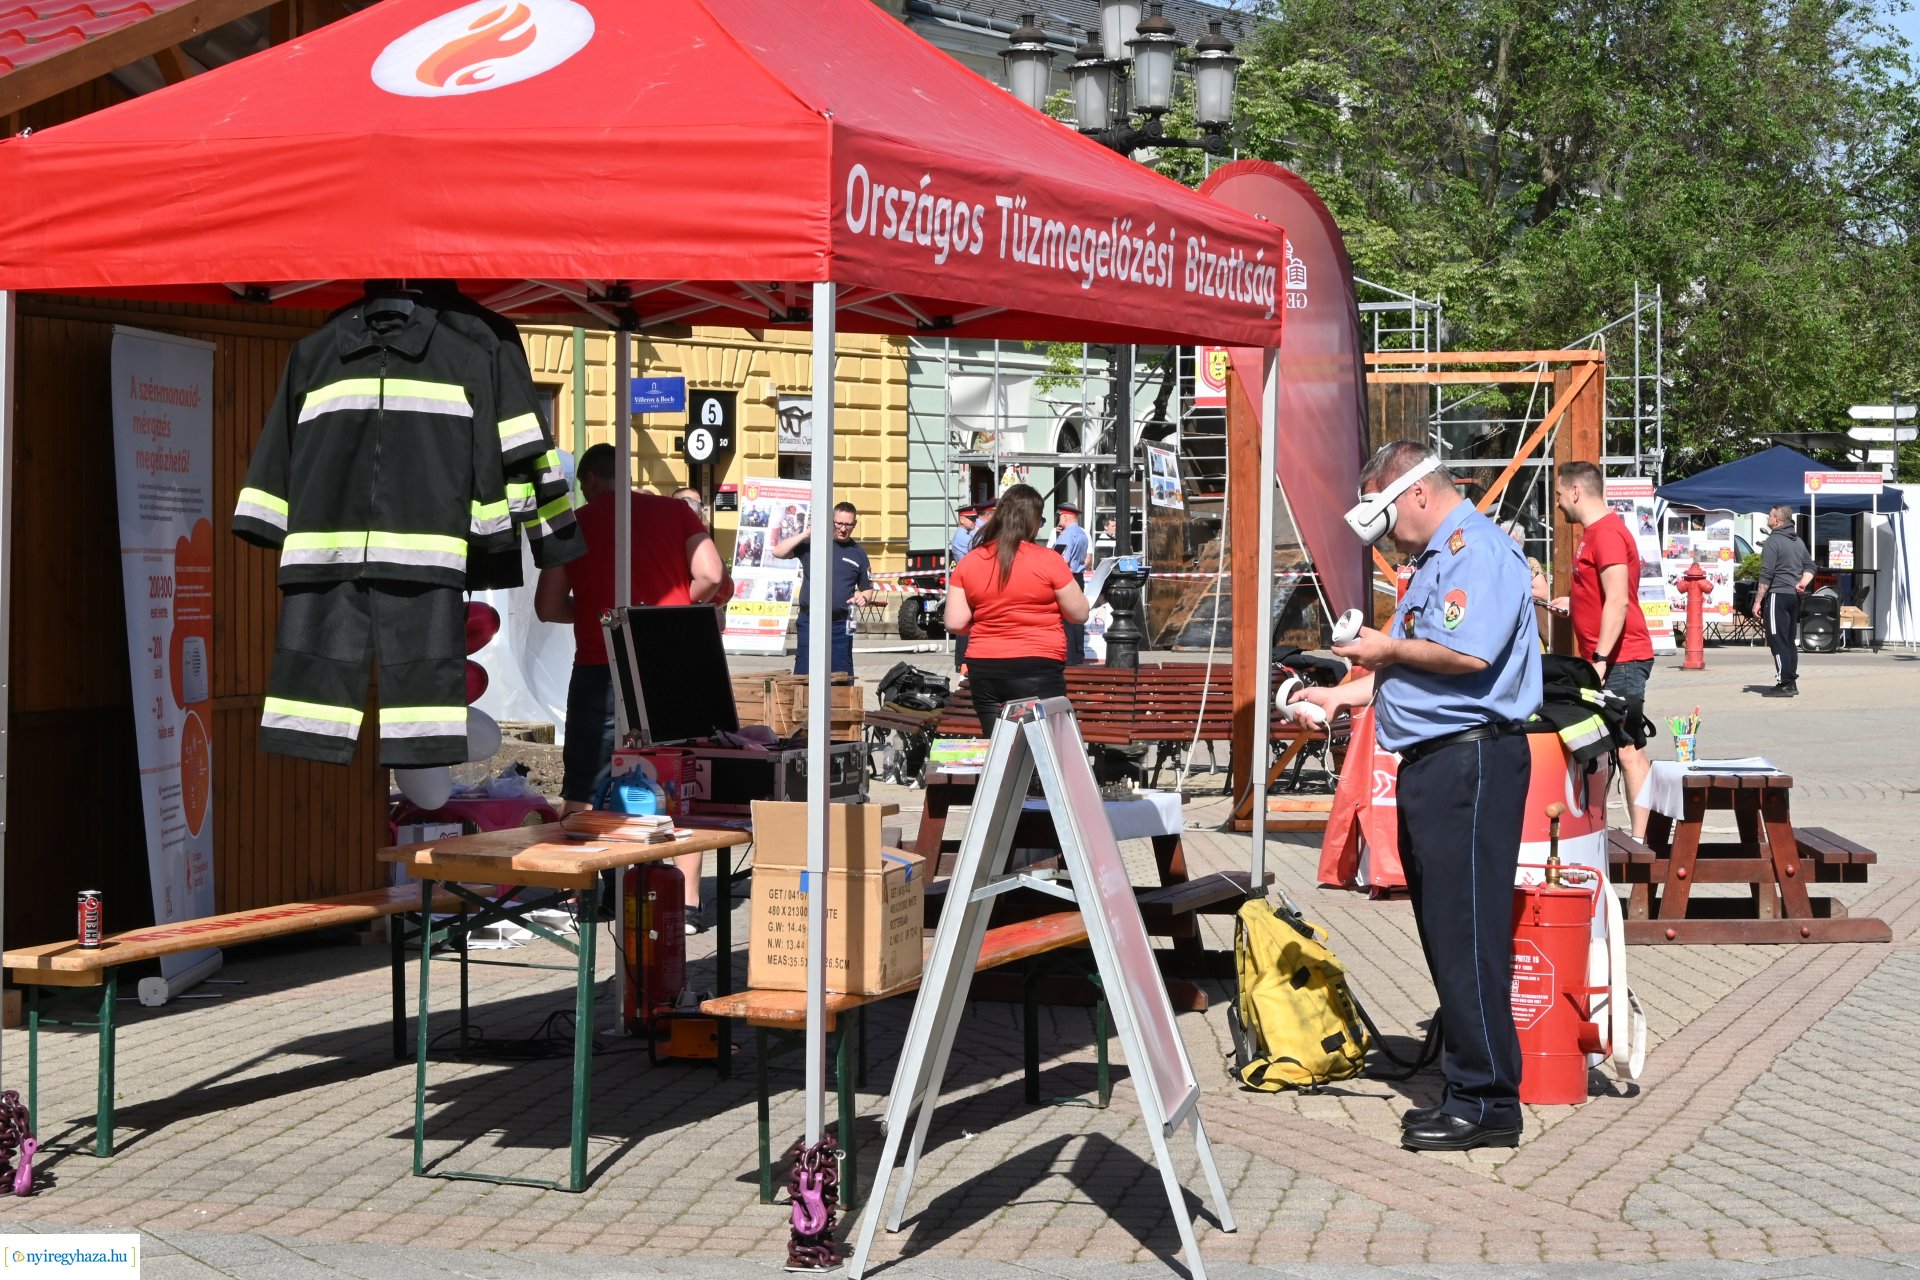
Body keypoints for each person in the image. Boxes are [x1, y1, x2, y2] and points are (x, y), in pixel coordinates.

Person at [1291, 442, 1541, 1154]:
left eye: (1386, 518)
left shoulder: (1476, 551)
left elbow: (1468, 654)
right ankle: (1473, 1087)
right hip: (1442, 764)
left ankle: (1485, 1101)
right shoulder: (1440, 558)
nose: (1388, 537)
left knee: (1466, 934)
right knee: (1447, 931)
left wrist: (1386, 649)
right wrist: (1342, 696)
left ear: (1417, 494)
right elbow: (1412, 664)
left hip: (1471, 761)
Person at [535, 443, 724, 926]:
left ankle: (577, 895)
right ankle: (684, 902)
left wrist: (598, 614)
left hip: (600, 663)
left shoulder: (571, 522)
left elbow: (548, 606)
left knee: (585, 781)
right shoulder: (676, 513)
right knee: (679, 778)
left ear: (590, 480)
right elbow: (710, 574)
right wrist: (670, 612)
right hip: (672, 661)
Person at [1549, 461, 1656, 836]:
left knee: (1628, 749)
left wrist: (1599, 659)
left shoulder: (1607, 533)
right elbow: (1603, 594)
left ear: (1575, 491)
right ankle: (1613, 834)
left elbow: (1619, 600)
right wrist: (1575, 603)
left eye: (1559, 494)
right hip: (1609, 659)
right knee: (1612, 747)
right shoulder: (1594, 533)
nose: (1558, 503)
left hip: (1620, 660)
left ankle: (1641, 841)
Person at [946, 484, 1089, 729]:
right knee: (1041, 744)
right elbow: (1079, 613)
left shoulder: (970, 562)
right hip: (1038, 664)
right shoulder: (1049, 560)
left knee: (998, 744)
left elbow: (955, 623)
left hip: (985, 666)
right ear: (1033, 521)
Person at [772, 500, 873, 675]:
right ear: (831, 521)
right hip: (810, 621)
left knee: (841, 675)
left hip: (841, 625)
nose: (843, 529)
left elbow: (867, 589)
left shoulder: (858, 553)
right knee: (805, 672)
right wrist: (806, 534)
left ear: (854, 524)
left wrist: (863, 597)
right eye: (839, 523)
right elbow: (778, 552)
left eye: (848, 525)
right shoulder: (813, 544)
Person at [1754, 503, 1814, 696]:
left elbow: (1766, 574)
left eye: (1769, 515)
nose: (1767, 518)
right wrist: (1802, 583)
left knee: (1777, 640)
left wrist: (1757, 602)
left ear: (1777, 520)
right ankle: (1791, 682)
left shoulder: (1773, 541)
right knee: (1788, 641)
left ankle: (1784, 683)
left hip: (1777, 595)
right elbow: (1810, 566)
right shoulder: (1798, 541)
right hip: (1793, 597)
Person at [1052, 502, 1091, 665]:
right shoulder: (1082, 534)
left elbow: (1061, 559)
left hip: (1067, 577)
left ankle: (1069, 657)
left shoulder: (1067, 535)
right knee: (1077, 618)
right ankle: (1078, 654)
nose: (1059, 519)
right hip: (1078, 577)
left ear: (1065, 517)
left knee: (1066, 619)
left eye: (1060, 516)